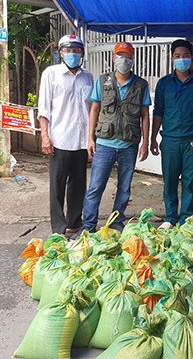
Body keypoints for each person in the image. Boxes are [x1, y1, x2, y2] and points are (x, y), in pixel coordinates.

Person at [80, 41, 151, 232]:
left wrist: (145, 143)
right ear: (113, 58)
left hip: (129, 144)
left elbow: (145, 115)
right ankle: (88, 225)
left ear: (133, 60)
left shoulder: (141, 85)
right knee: (95, 186)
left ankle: (116, 223)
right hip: (104, 143)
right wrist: (90, 139)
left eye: (127, 56)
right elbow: (94, 109)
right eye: (120, 56)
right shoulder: (102, 81)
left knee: (125, 188)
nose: (124, 60)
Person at [151, 39, 193, 227]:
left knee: (189, 182)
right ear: (172, 59)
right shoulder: (164, 84)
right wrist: (152, 138)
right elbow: (158, 112)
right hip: (170, 140)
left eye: (185, 56)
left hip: (192, 141)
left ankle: (186, 218)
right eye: (177, 56)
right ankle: (170, 217)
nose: (181, 59)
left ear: (191, 57)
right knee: (169, 181)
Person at [38, 34, 93, 235]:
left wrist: (90, 139)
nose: (73, 54)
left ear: (82, 53)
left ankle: (74, 221)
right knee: (57, 186)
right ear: (61, 53)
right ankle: (58, 227)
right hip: (59, 138)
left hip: (81, 140)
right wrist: (45, 137)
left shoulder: (88, 77)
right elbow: (43, 109)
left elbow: (91, 110)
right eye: (68, 50)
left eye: (77, 50)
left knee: (78, 186)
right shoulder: (51, 74)